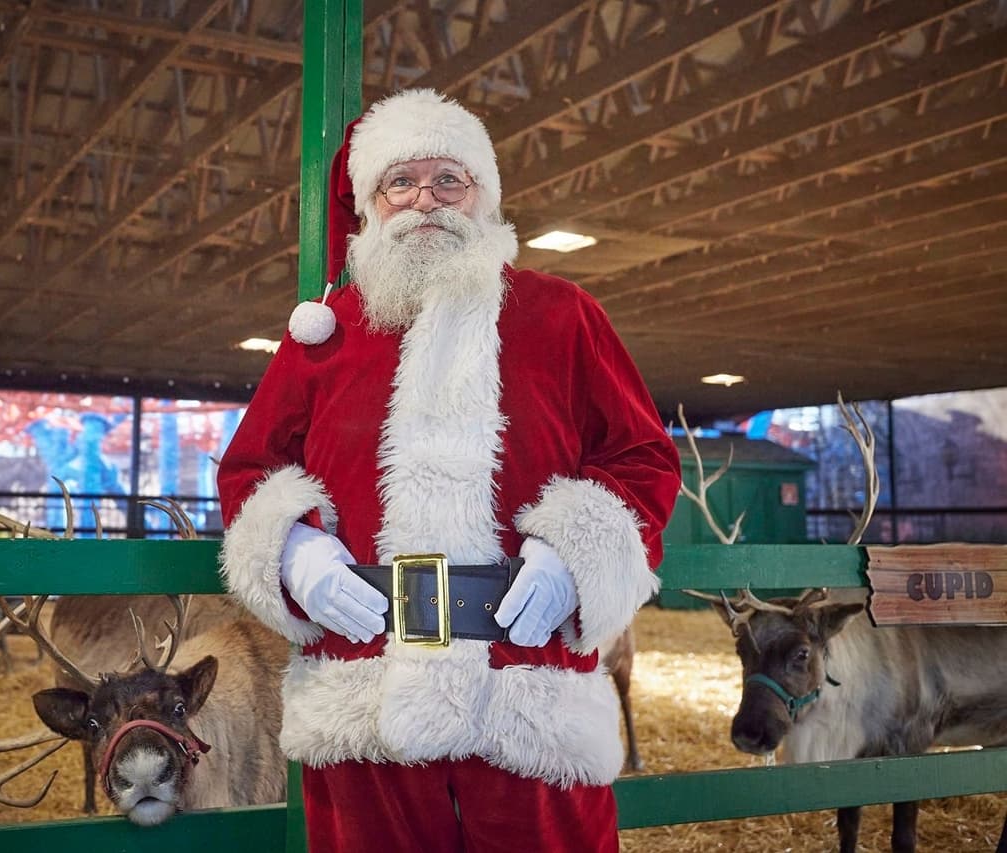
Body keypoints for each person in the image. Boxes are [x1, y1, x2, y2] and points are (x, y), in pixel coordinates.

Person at [217, 88, 681, 853]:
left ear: (483, 197)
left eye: (447, 180)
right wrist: (296, 553)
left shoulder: (563, 315)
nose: (424, 200)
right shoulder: (324, 338)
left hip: (530, 688)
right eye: (400, 183)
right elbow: (250, 468)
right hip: (365, 693)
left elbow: (641, 457)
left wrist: (576, 554)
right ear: (372, 204)